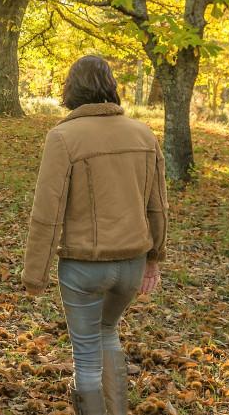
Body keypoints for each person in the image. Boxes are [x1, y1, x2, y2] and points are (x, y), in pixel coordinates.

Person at [22, 55, 168, 415]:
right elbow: (158, 207)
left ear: (72, 89)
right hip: (132, 265)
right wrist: (154, 259)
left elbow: (47, 213)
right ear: (110, 86)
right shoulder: (144, 134)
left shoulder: (63, 137)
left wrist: (34, 275)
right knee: (108, 331)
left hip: (84, 266)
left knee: (86, 354)